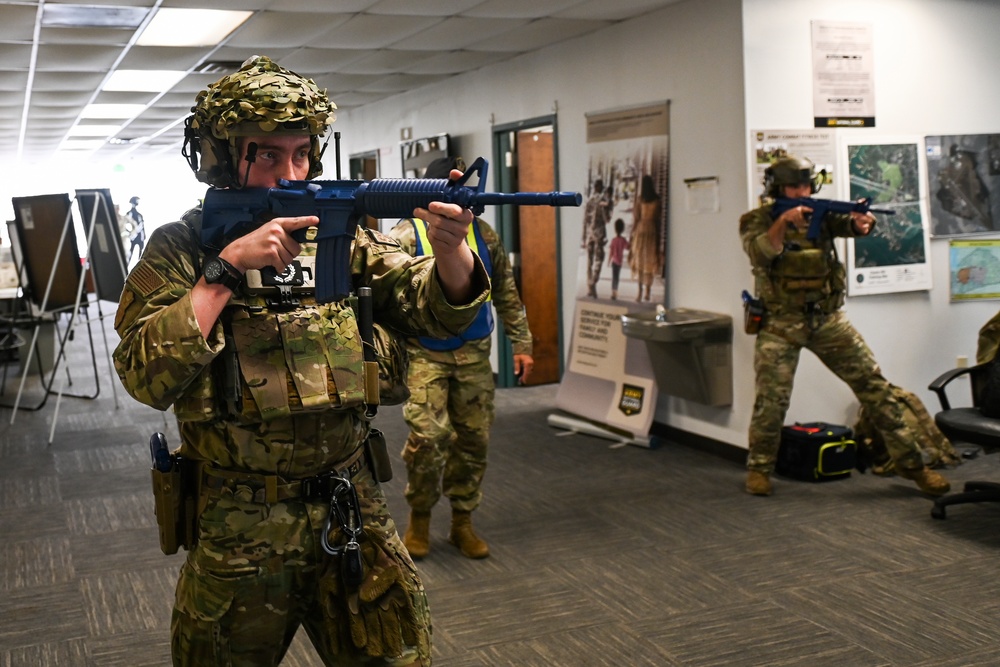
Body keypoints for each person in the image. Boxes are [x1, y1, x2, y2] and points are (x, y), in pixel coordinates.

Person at [112, 56, 490, 667]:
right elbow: (142, 373)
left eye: (301, 154)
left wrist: (453, 254)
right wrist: (225, 270)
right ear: (221, 155)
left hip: (350, 503)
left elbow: (433, 311)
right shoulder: (181, 247)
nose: (289, 173)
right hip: (241, 521)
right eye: (267, 155)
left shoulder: (339, 234)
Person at [740, 155, 951, 497]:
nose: (802, 192)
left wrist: (861, 223)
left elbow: (852, 226)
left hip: (827, 321)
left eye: (807, 185)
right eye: (794, 186)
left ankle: (915, 466)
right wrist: (784, 222)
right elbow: (761, 252)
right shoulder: (757, 220)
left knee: (875, 387)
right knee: (772, 400)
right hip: (780, 323)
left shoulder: (820, 217)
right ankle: (760, 468)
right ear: (778, 189)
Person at [387, 156, 534, 560]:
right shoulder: (404, 234)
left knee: (473, 439)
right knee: (429, 438)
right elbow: (383, 296)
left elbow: (505, 289)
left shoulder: (483, 235)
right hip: (423, 354)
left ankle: (462, 522)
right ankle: (418, 518)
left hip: (473, 352)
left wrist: (521, 344)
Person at [628, 174, 662, 302]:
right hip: (652, 232)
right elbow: (658, 221)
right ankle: (647, 291)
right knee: (649, 261)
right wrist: (659, 240)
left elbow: (636, 219)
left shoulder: (640, 199)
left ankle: (639, 292)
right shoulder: (657, 200)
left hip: (640, 232)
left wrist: (632, 236)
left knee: (640, 261)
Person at [581, 177, 609, 298]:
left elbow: (584, 220)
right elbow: (606, 219)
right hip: (599, 234)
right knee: (599, 259)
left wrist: (583, 237)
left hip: (589, 234)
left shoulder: (589, 201)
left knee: (589, 261)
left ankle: (590, 287)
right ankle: (593, 283)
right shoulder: (603, 201)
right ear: (601, 187)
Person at [608, 217, 629, 300]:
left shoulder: (613, 240)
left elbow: (611, 252)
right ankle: (615, 292)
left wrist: (608, 261)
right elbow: (628, 247)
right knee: (617, 277)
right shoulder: (623, 240)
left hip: (614, 262)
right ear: (622, 229)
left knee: (614, 277)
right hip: (619, 262)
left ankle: (613, 293)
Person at [126, 195, 146, 264]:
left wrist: (144, 235)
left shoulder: (140, 215)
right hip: (133, 237)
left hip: (140, 236)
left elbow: (142, 226)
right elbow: (127, 225)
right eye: (137, 201)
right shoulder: (129, 213)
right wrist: (131, 233)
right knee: (130, 252)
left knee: (141, 255)